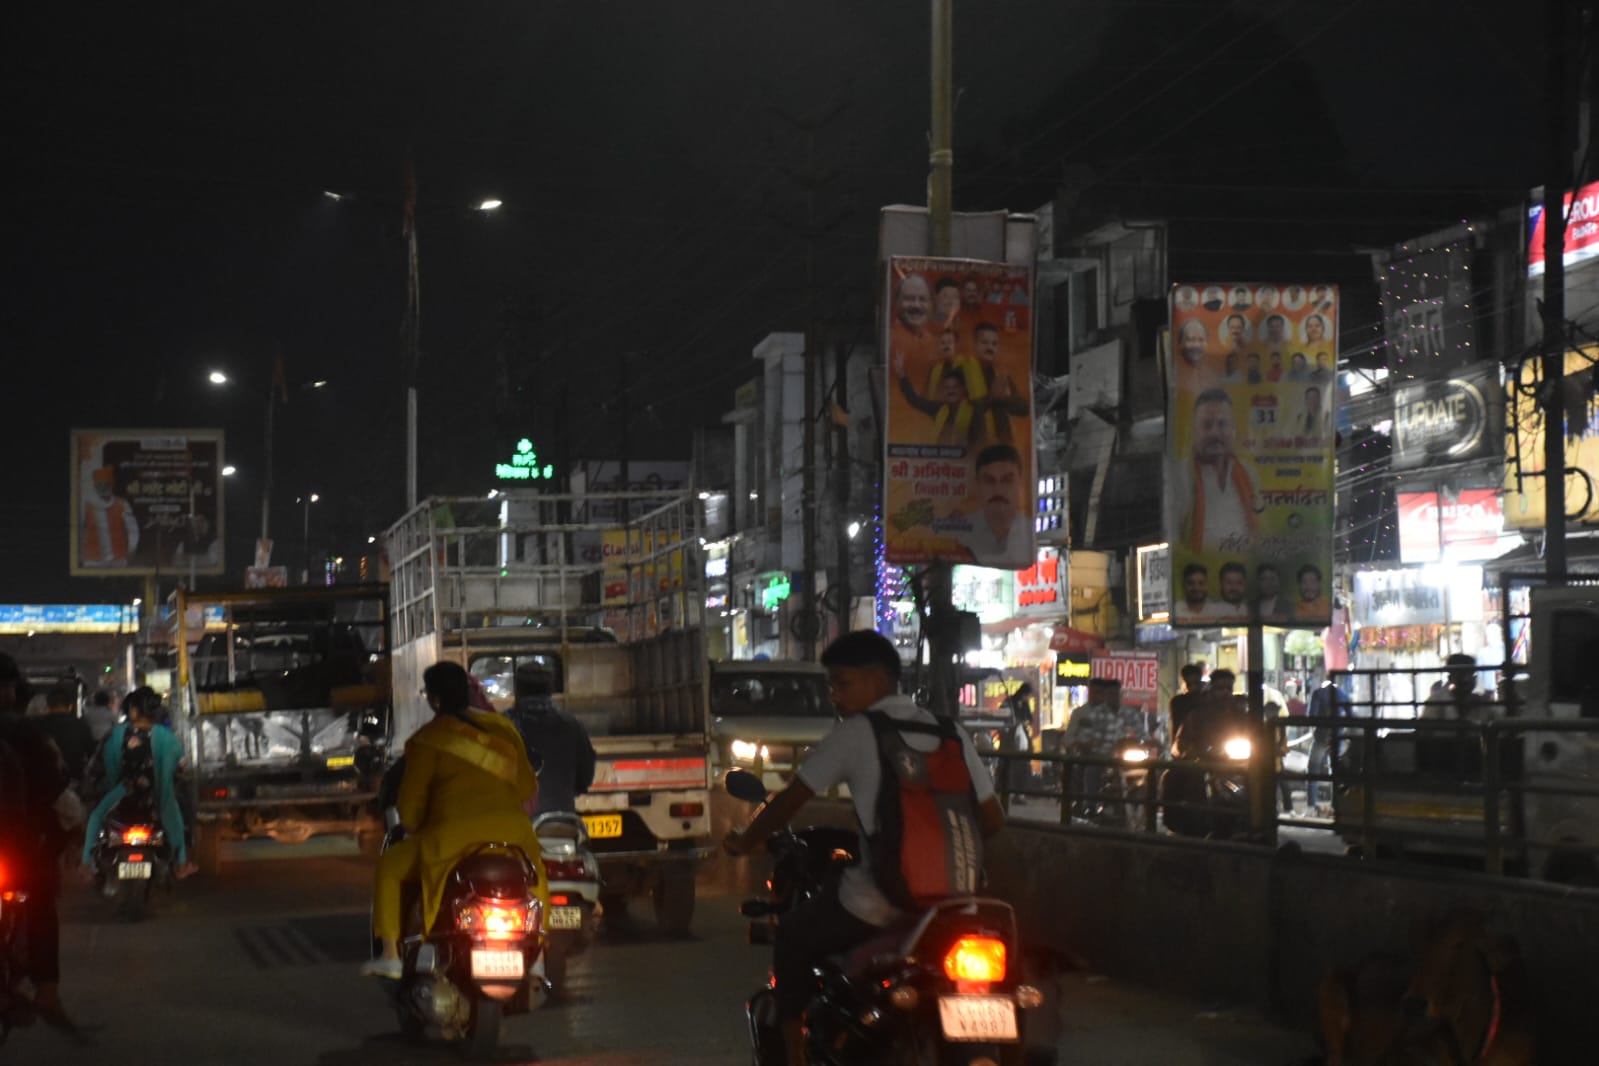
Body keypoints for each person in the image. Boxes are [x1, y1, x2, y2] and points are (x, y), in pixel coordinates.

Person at [723, 631, 1003, 1066]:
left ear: (878, 679)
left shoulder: (857, 733)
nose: (834, 695)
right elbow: (992, 819)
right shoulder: (952, 733)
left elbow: (790, 800)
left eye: (842, 683)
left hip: (878, 904)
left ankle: (794, 1057)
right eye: (831, 685)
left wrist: (744, 842)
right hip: (955, 907)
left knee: (794, 935)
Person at [363, 661, 545, 979]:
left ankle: (391, 955)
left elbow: (409, 811)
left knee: (390, 867)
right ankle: (539, 953)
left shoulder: (428, 740)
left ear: (433, 700)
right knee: (536, 876)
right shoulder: (503, 729)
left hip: (449, 840)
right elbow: (527, 786)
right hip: (513, 837)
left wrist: (421, 823)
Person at [0, 652, 73, 1030]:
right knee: (41, 899)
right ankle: (47, 990)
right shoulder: (26, 733)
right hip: (20, 847)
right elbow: (59, 790)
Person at [80, 687, 195, 879]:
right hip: (157, 796)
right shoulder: (167, 737)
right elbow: (182, 766)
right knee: (176, 819)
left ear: (133, 710)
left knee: (97, 815)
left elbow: (98, 765)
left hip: (123, 792)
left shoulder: (116, 734)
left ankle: (85, 863)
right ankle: (182, 863)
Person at [505, 661, 596, 817]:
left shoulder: (503, 726)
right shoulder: (572, 725)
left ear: (518, 690)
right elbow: (585, 775)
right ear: (550, 690)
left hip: (516, 825)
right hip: (560, 823)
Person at [1177, 389, 1259, 551]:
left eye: (1222, 424)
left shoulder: (1248, 474)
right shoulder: (1180, 476)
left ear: (1233, 430)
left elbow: (1259, 530)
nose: (1215, 433)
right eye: (1207, 425)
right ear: (1195, 430)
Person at [957, 444, 1032, 567]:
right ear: (978, 484)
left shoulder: (1031, 531)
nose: (998, 490)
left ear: (1020, 483)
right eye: (989, 481)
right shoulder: (959, 533)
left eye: (1007, 480)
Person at [969, 321, 1028, 444]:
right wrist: (992, 397)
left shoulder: (1001, 375)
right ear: (974, 345)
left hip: (1005, 448)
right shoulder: (962, 371)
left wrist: (1005, 399)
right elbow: (961, 412)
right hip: (975, 447)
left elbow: (1024, 409)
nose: (990, 347)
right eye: (984, 342)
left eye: (994, 344)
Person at [897, 362, 979, 447]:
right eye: (947, 388)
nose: (951, 391)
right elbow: (914, 400)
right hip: (940, 457)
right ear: (943, 391)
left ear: (963, 389)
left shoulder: (973, 413)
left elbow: (979, 442)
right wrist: (902, 376)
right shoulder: (939, 409)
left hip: (965, 458)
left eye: (955, 387)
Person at [34, 683, 95, 785]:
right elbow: (91, 752)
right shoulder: (80, 724)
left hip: (45, 779)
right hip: (74, 776)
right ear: (70, 707)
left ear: (48, 706)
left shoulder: (37, 724)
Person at [80, 464, 140, 566]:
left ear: (112, 485)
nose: (103, 488)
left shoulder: (122, 504)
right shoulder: (87, 505)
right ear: (95, 486)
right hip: (93, 560)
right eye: (100, 485)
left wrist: (132, 547)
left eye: (106, 484)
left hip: (118, 559)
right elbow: (79, 530)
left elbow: (132, 529)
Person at [1306, 676, 1344, 813]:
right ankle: (1337, 804)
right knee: (1337, 771)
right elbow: (1350, 713)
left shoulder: (1318, 693)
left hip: (1321, 737)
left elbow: (1312, 716)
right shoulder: (1342, 694)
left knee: (1313, 769)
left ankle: (1311, 804)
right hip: (1338, 738)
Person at [1421, 654, 1496, 722]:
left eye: (1469, 673)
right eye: (1461, 674)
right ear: (1451, 677)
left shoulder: (1481, 701)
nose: (1466, 679)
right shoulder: (1437, 700)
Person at [1168, 663, 1206, 745]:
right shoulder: (1178, 702)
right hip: (1186, 743)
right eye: (1190, 684)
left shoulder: (1208, 698)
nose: (1193, 687)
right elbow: (1176, 726)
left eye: (1195, 683)